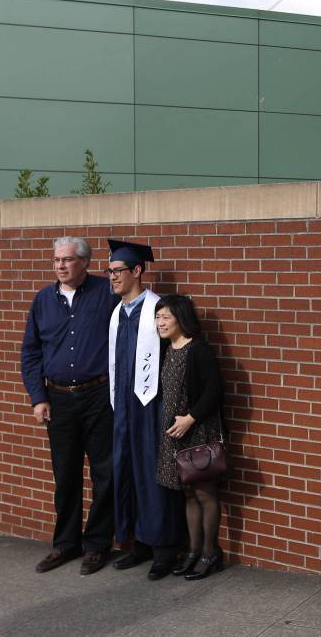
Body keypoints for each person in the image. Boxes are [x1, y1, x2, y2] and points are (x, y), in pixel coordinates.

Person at [20, 236, 118, 575]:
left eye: (67, 260)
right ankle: (65, 544)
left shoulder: (106, 294)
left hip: (99, 397)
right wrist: (38, 397)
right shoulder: (43, 301)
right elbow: (31, 352)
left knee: (104, 473)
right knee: (65, 475)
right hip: (58, 399)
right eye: (56, 260)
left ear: (85, 263)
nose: (60, 265)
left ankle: (97, 545)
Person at [106, 239, 186, 580]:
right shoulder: (117, 312)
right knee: (126, 471)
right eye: (108, 272)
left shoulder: (158, 310)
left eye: (118, 271)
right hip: (123, 408)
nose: (111, 278)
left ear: (137, 271)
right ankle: (138, 541)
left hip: (151, 407)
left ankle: (164, 549)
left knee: (154, 474)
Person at [154, 294, 227, 580]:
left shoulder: (198, 350)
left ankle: (211, 552)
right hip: (174, 434)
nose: (160, 323)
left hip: (197, 430)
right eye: (157, 317)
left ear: (181, 319)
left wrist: (190, 419)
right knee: (187, 492)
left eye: (165, 317)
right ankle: (193, 551)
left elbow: (214, 390)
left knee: (205, 493)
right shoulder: (167, 349)